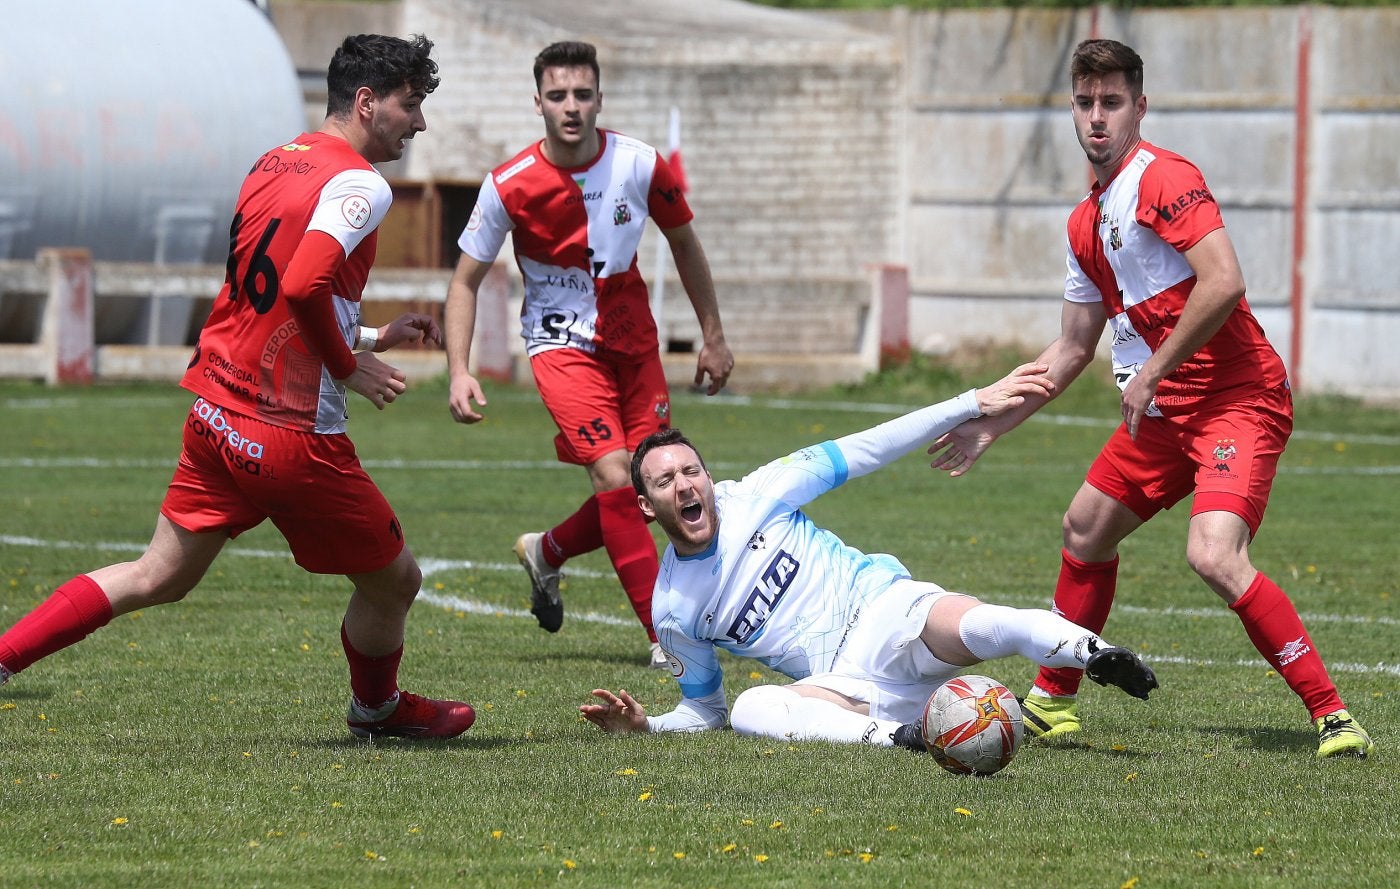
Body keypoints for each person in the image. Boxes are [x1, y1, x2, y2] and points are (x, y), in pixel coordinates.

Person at [0, 34, 475, 741]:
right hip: (287, 434)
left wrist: (370, 336)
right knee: (395, 580)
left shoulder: (274, 159)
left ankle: (4, 656)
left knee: (157, 573)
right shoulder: (363, 185)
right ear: (368, 103)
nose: (421, 124)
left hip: (216, 409)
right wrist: (350, 366)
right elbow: (302, 282)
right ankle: (376, 706)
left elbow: (268, 297)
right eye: (412, 106)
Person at [928, 39, 1373, 759]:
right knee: (1084, 528)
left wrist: (1155, 369)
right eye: (1085, 103)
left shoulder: (1164, 178)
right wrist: (993, 425)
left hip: (1238, 398)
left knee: (1214, 554)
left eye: (1112, 102)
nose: (1097, 118)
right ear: (1072, 110)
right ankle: (1054, 700)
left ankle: (1334, 716)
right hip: (1161, 413)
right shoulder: (1083, 224)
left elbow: (1223, 280)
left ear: (1140, 105)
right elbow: (1071, 349)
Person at [579, 365, 1159, 747]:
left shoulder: (759, 492)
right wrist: (647, 724)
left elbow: (864, 449)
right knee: (753, 708)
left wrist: (968, 403)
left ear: (709, 476)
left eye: (691, 471)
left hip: (885, 608)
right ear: (647, 506)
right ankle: (902, 737)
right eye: (665, 482)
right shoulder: (674, 609)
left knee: (979, 621)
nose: (684, 487)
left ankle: (1092, 651)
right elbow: (704, 712)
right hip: (845, 685)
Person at [444, 40, 734, 668]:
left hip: (634, 342)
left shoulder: (641, 164)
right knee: (613, 473)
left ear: (599, 98)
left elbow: (685, 244)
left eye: (582, 94)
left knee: (648, 487)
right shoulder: (509, 184)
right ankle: (664, 639)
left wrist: (712, 335)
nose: (570, 107)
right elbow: (464, 279)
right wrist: (459, 370)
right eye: (557, 96)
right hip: (560, 346)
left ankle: (547, 551)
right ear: (539, 103)